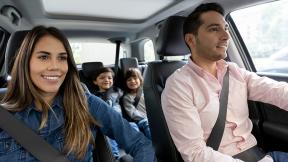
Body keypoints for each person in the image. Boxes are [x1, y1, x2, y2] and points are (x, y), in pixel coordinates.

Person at [0, 26, 156, 162]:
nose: (55, 66)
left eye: (62, 58)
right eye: (43, 57)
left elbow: (141, 144)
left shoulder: (85, 102)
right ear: (24, 62)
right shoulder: (4, 116)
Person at [161, 2, 288, 162]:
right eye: (214, 29)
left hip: (259, 155)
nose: (226, 36)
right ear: (191, 40)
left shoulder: (234, 71)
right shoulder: (178, 86)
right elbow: (195, 154)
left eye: (226, 28)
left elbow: (275, 90)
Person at [92, 67, 139, 160]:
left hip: (121, 123)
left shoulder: (117, 91)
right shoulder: (94, 96)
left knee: (133, 126)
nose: (106, 80)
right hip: (106, 125)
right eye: (102, 78)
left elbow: (127, 88)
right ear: (95, 82)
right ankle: (114, 157)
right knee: (108, 135)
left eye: (110, 78)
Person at [122, 68, 151, 139]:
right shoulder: (127, 97)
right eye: (129, 80)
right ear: (125, 83)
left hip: (153, 118)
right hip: (141, 120)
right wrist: (147, 118)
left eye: (135, 78)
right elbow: (132, 113)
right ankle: (154, 145)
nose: (132, 81)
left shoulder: (147, 92)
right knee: (147, 124)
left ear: (140, 80)